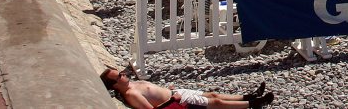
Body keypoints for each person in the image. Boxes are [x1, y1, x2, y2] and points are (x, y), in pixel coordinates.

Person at [100, 67, 273, 108]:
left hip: (176, 93)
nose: (124, 74)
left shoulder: (131, 84)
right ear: (115, 84)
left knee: (212, 93)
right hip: (178, 101)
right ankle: (254, 104)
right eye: (120, 76)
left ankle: (249, 96)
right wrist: (172, 101)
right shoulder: (131, 93)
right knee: (216, 102)